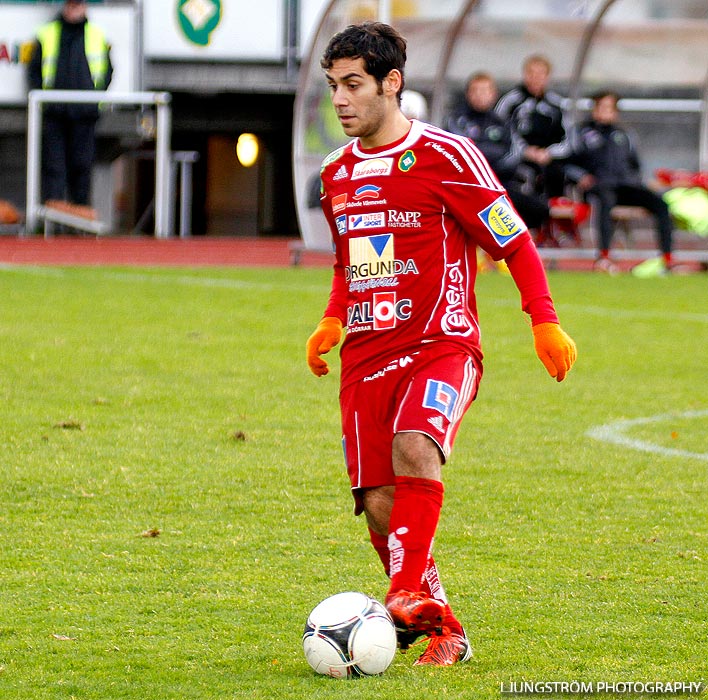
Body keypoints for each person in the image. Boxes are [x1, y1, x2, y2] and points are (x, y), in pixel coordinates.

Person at [306, 22, 577, 667]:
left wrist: (542, 319)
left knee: (413, 445)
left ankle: (402, 593)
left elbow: (512, 238)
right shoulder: (336, 174)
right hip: (366, 353)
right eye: (333, 87)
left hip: (441, 343)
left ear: (390, 83)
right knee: (378, 504)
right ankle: (445, 629)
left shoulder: (447, 156)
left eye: (353, 86)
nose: (340, 100)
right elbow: (354, 262)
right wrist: (331, 321)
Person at [571, 91, 673, 274]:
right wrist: (581, 176)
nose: (605, 112)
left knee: (661, 204)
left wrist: (637, 180)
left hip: (626, 186)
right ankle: (603, 257)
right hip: (599, 186)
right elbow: (569, 160)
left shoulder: (624, 134)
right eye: (601, 107)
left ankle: (667, 260)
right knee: (605, 201)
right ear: (594, 109)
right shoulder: (581, 132)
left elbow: (635, 164)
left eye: (609, 108)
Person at [27, 0, 113, 210]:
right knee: (54, 168)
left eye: (77, 5)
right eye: (71, 5)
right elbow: (34, 71)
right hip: (55, 113)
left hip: (85, 113)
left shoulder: (97, 35)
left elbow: (107, 71)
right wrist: (45, 102)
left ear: (85, 7)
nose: (73, 10)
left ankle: (78, 224)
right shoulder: (47, 33)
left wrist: (95, 99)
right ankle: (52, 224)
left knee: (81, 168)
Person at [447, 71, 549, 233]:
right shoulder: (456, 120)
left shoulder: (502, 122)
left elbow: (513, 154)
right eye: (475, 90)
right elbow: (463, 153)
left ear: (493, 94)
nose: (480, 95)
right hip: (467, 185)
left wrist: (489, 163)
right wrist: (489, 156)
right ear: (468, 94)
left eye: (485, 91)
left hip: (499, 184)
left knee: (540, 208)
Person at [495, 54, 574, 199]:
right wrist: (525, 151)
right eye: (531, 73)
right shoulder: (510, 102)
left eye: (540, 73)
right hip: (517, 158)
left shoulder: (557, 104)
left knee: (559, 174)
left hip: (549, 160)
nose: (535, 77)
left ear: (547, 77)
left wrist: (549, 153)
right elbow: (500, 131)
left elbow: (569, 139)